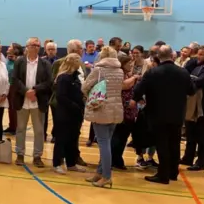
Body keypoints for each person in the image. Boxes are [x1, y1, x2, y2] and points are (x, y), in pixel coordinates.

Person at [132, 45, 195, 184]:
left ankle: (163, 175)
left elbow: (139, 90)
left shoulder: (153, 72)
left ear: (158, 57)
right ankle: (173, 172)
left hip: (158, 114)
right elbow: (191, 91)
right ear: (173, 56)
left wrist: (134, 99)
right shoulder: (183, 72)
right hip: (177, 114)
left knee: (162, 145)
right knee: (174, 144)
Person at [81, 46, 124, 188]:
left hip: (101, 109)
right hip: (116, 110)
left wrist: (89, 95)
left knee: (103, 144)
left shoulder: (98, 70)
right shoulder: (120, 71)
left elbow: (85, 87)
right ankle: (99, 173)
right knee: (107, 143)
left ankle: (106, 176)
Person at [12, 37, 52, 167]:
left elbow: (49, 82)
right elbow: (15, 79)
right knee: (21, 128)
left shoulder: (45, 64)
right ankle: (20, 154)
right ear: (27, 47)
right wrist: (26, 92)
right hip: (22, 100)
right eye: (32, 45)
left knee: (39, 130)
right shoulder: (19, 62)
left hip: (38, 101)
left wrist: (34, 90)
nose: (35, 47)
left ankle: (37, 156)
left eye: (37, 45)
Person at [52, 54, 86, 174]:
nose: (80, 63)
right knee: (61, 139)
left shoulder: (75, 77)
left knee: (73, 139)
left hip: (76, 114)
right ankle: (57, 163)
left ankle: (71, 163)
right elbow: (61, 96)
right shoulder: (63, 78)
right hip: (64, 114)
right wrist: (74, 105)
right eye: (78, 61)